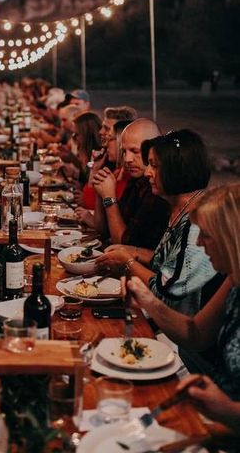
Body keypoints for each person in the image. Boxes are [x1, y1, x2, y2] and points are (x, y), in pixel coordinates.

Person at [128, 183, 240, 407]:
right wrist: (149, 302)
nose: (198, 243)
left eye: (206, 235)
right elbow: (195, 333)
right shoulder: (234, 279)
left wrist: (225, 410)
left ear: (231, 239)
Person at [96, 129, 217, 315]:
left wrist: (127, 262)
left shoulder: (198, 223)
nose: (148, 173)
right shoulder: (181, 207)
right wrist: (133, 251)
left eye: (154, 165)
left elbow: (166, 292)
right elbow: (171, 262)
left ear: (176, 169)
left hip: (180, 333)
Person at [92, 119, 170, 249]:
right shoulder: (136, 181)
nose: (127, 159)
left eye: (135, 151)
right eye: (124, 151)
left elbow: (124, 245)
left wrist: (109, 198)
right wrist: (100, 192)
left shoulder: (158, 189)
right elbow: (103, 231)